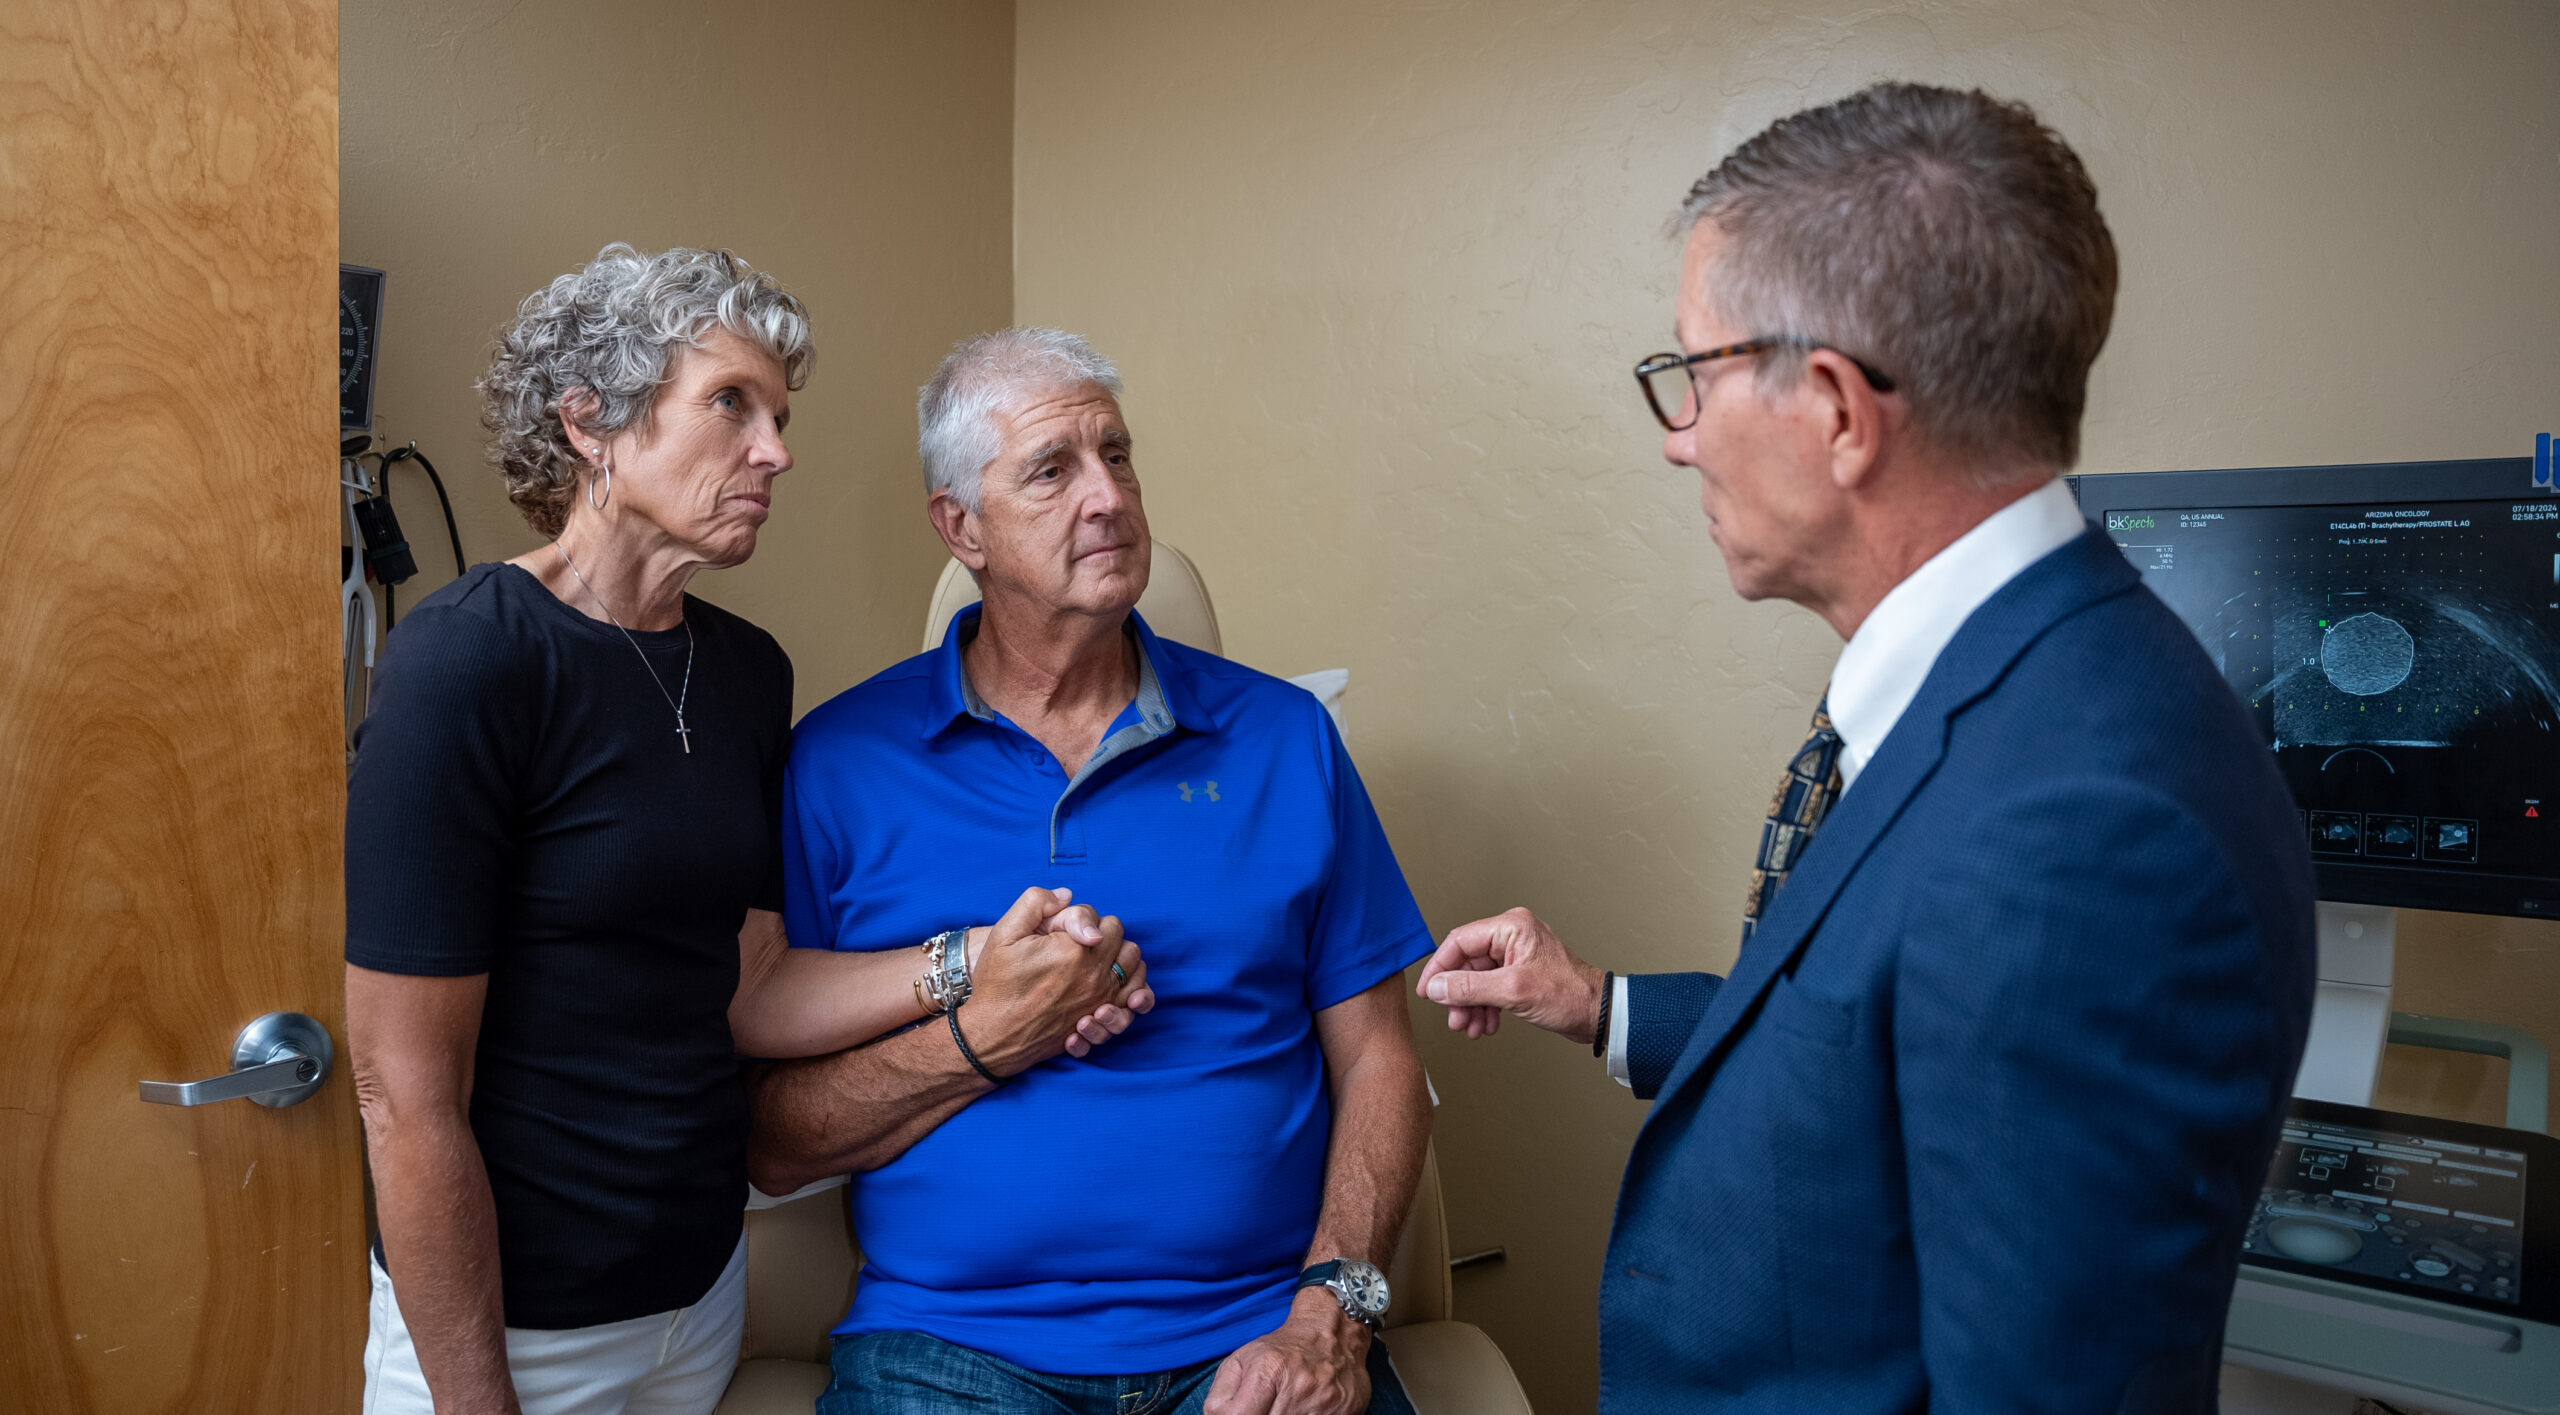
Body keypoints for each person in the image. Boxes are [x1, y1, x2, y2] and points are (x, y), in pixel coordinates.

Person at [1416, 84, 2317, 1412]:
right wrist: (1599, 1000)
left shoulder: (2089, 827)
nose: (1677, 438)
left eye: (1695, 374)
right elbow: (1881, 1050)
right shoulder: (2005, 698)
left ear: (1838, 409)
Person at [344, 248, 1148, 1415]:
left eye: (780, 414)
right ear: (590, 424)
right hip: (511, 1329)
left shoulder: (742, 672)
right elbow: (402, 1092)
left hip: (696, 1301)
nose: (775, 450)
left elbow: (752, 987)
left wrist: (983, 961)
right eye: (732, 404)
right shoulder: (470, 659)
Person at [751, 328, 1433, 1415]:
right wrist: (987, 1030)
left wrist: (1330, 1314)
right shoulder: (837, 763)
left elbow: (1384, 1064)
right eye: (1052, 470)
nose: (1108, 496)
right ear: (959, 526)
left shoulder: (1284, 740)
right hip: (949, 1350)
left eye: (1116, 455)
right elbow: (775, 1140)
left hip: (1260, 1330)